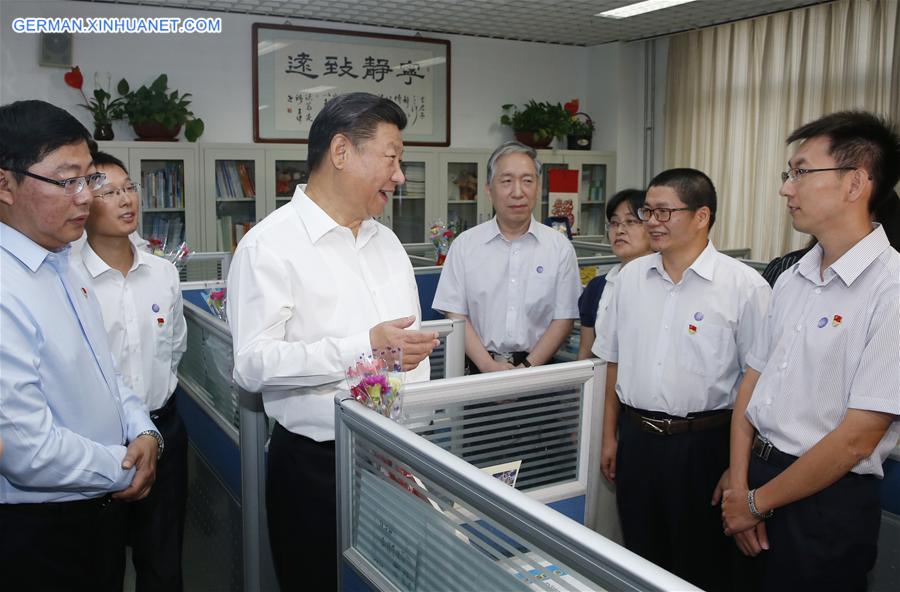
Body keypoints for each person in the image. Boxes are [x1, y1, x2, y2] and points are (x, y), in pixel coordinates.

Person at [227, 92, 438, 591]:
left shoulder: (387, 244)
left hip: (397, 457)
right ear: (341, 152)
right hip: (315, 467)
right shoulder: (269, 245)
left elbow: (407, 348)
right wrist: (363, 347)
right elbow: (251, 365)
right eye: (391, 157)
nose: (400, 175)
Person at [722, 111, 900, 592]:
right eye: (788, 174)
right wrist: (741, 487)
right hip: (756, 478)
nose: (786, 188)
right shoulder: (793, 276)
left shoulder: (892, 289)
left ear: (855, 183)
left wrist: (756, 503)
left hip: (826, 501)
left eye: (801, 171)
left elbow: (858, 439)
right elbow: (751, 384)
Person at [0, 100, 161, 591]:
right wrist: (124, 465)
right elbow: (24, 448)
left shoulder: (66, 259)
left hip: (97, 507)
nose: (85, 198)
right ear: (5, 184)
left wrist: (145, 431)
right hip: (39, 530)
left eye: (89, 178)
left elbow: (104, 371)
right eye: (66, 180)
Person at [594, 168, 771, 591]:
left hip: (706, 447)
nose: (651, 221)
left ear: (701, 216)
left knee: (700, 565)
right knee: (639, 559)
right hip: (637, 440)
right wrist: (608, 438)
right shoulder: (629, 280)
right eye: (647, 211)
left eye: (663, 211)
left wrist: (737, 468)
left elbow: (759, 382)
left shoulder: (744, 287)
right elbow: (611, 362)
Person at [77, 151, 188, 591]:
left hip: (164, 431)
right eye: (109, 192)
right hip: (96, 441)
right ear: (83, 201)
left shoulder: (163, 273)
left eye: (128, 188)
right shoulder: (70, 278)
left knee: (163, 563)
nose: (126, 200)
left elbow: (175, 348)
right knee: (98, 566)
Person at [432, 141, 581, 373]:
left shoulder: (559, 248)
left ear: (538, 187)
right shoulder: (465, 245)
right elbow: (455, 313)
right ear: (489, 189)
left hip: (539, 373)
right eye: (507, 181)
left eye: (527, 181)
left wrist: (526, 369)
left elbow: (564, 318)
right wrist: (487, 366)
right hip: (477, 371)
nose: (518, 192)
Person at [576, 189, 652, 360]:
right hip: (605, 383)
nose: (619, 230)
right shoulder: (597, 287)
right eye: (614, 223)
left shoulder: (667, 284)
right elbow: (586, 356)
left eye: (631, 221)